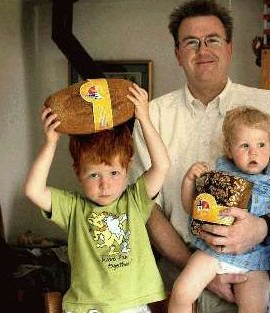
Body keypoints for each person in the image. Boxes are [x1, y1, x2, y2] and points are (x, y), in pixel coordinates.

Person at [129, 1, 270, 312]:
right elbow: (143, 206)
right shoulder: (153, 116)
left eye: (213, 39)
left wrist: (265, 226)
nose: (203, 49)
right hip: (178, 279)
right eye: (191, 42)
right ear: (178, 53)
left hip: (252, 277)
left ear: (229, 48)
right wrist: (201, 265)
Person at [24, 84, 170, 313]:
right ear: (78, 173)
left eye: (114, 173)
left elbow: (162, 166)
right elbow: (33, 190)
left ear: (127, 169)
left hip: (132, 306)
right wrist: (50, 143)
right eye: (94, 175)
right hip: (86, 307)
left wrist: (145, 120)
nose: (105, 184)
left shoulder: (135, 200)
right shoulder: (72, 208)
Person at [169, 107, 270, 313]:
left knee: (254, 308)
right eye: (245, 145)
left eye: (261, 144)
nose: (254, 152)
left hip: (256, 262)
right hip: (213, 252)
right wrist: (189, 180)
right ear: (230, 150)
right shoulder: (217, 172)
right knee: (181, 292)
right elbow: (192, 208)